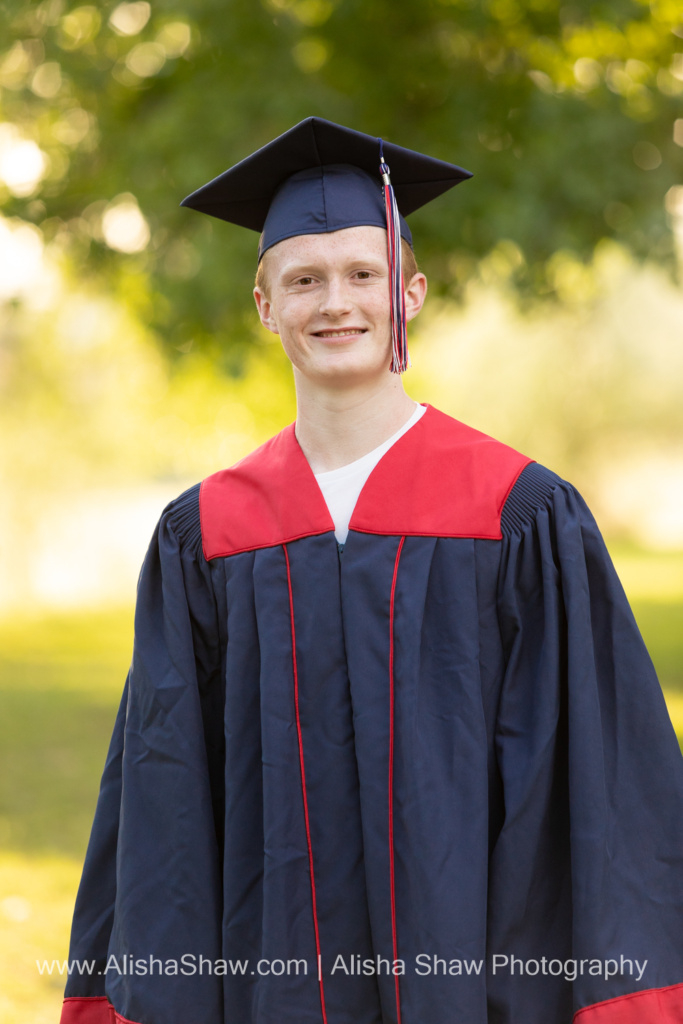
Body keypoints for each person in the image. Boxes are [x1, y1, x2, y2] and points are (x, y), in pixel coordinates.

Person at [59, 117, 683, 1024]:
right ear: (266, 306)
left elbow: (590, 780)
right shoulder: (208, 535)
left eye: (363, 275)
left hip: (469, 976)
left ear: (411, 292)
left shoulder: (517, 513)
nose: (335, 303)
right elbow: (164, 799)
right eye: (303, 280)